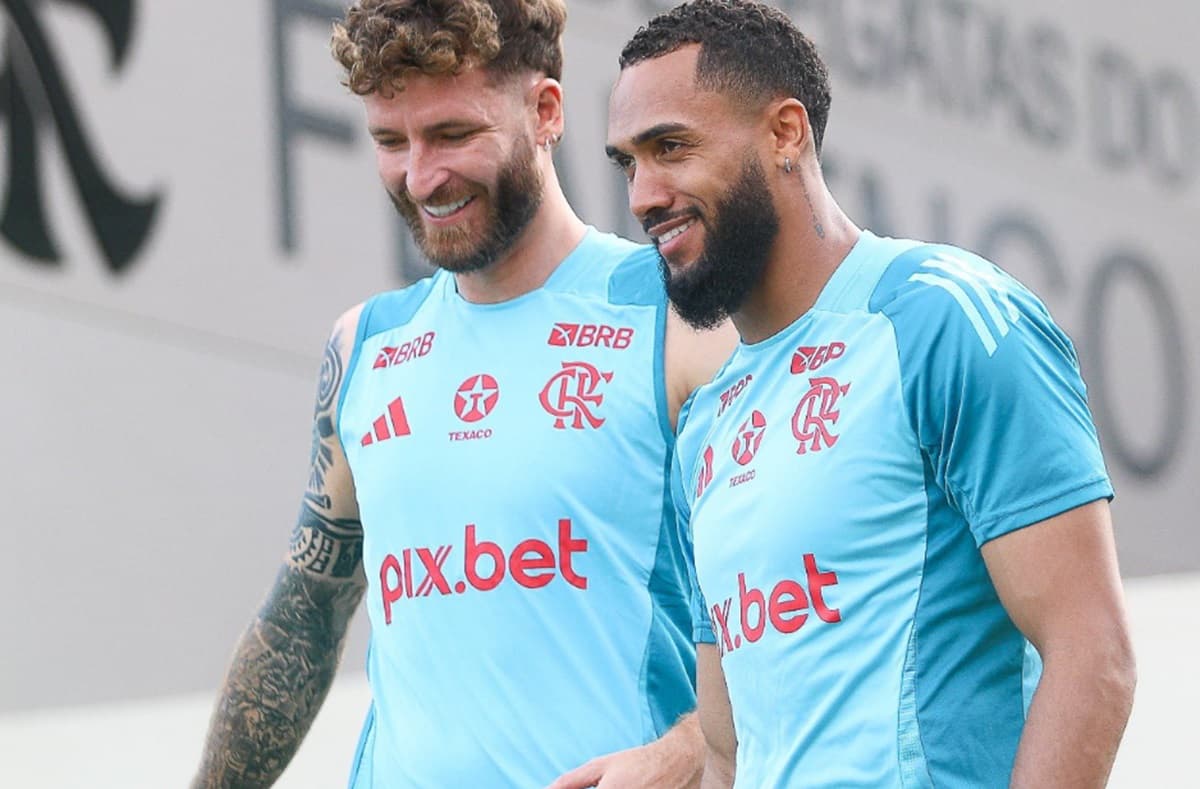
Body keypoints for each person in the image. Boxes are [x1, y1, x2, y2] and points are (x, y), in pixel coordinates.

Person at [192, 1, 737, 786]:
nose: (421, 176)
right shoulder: (364, 347)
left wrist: (687, 754)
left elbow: (807, 594)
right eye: (390, 141)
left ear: (545, 111)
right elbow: (304, 617)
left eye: (452, 134)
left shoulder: (678, 315)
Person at [604, 1, 1137, 786]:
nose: (644, 195)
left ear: (787, 133)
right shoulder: (707, 423)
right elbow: (726, 754)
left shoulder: (942, 316)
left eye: (672, 147)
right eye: (628, 163)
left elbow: (1094, 655)